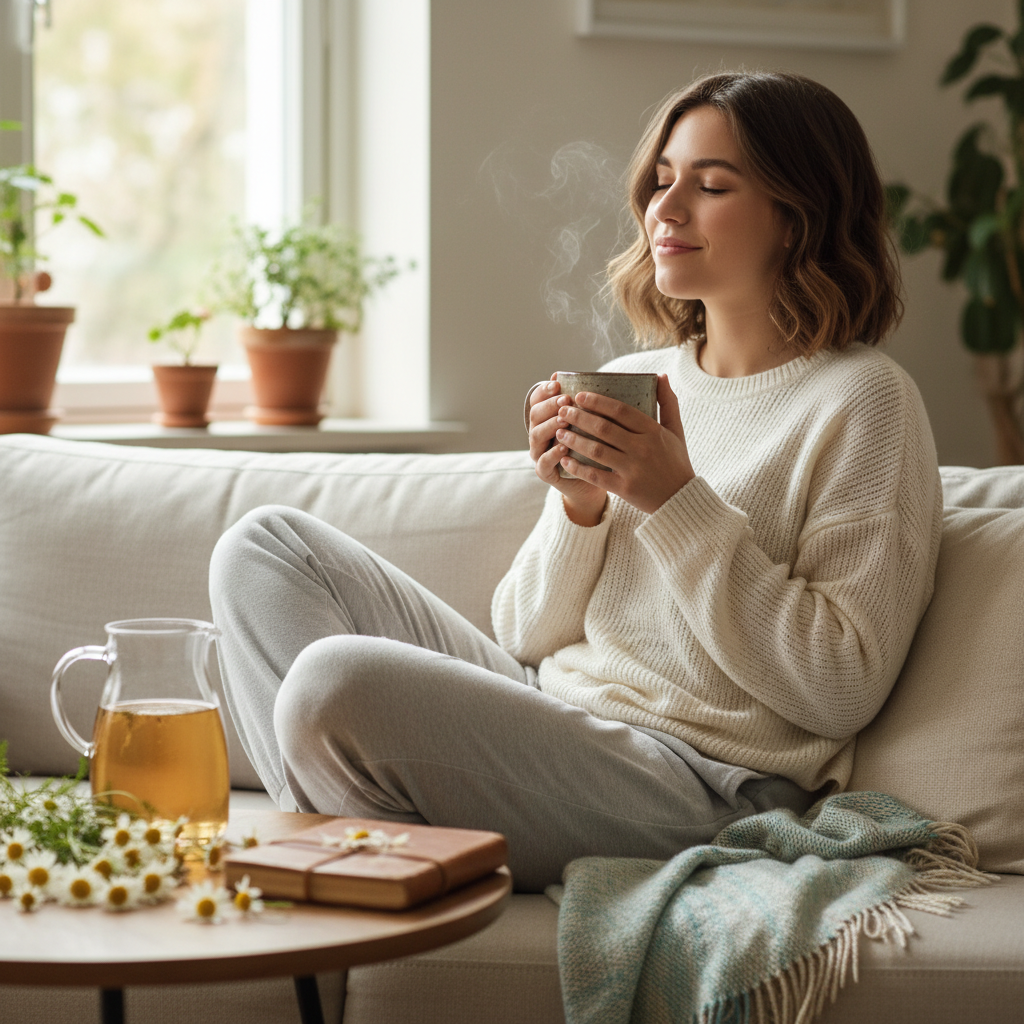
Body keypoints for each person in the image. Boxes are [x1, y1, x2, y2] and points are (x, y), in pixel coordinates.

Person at [209, 71, 942, 894]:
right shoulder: (639, 377)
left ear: (797, 217)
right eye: (661, 180)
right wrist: (579, 507)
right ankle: (354, 859)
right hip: (560, 719)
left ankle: (352, 864)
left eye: (711, 186)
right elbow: (524, 636)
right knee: (264, 548)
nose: (665, 210)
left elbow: (838, 686)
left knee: (333, 682)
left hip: (701, 782)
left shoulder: (863, 399)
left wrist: (674, 501)